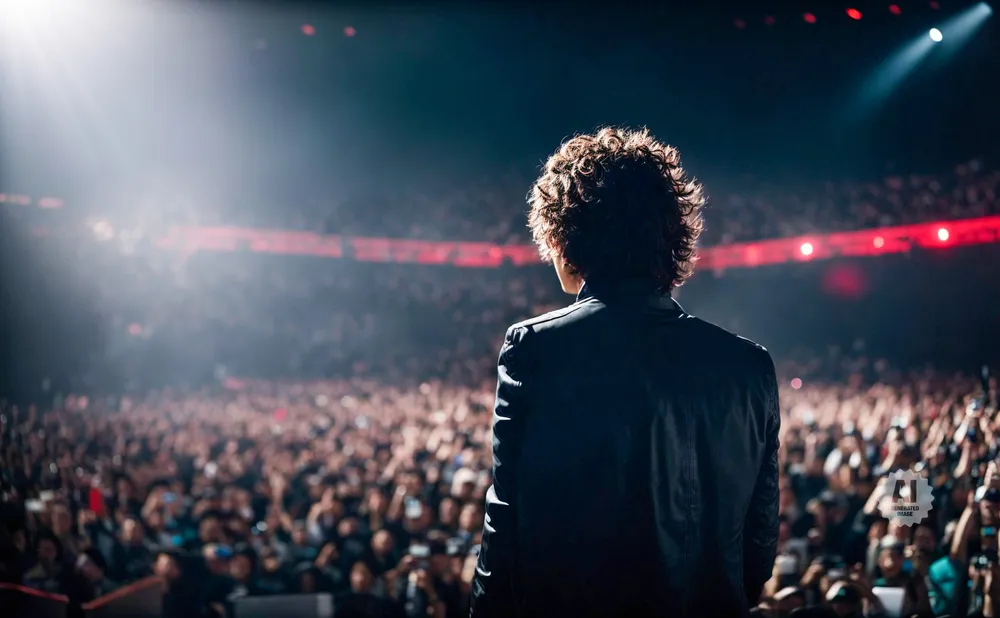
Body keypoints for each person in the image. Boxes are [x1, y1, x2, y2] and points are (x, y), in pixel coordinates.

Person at [470, 127, 781, 618]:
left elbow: (507, 529)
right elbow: (758, 550)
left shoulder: (537, 349)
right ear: (673, 237)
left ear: (564, 236)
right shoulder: (749, 367)